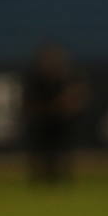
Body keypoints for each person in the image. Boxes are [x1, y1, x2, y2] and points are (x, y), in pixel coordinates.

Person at [21, 42, 88, 183]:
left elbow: (78, 97)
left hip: (61, 122)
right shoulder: (35, 79)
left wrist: (68, 105)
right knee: (41, 150)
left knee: (62, 149)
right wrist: (52, 107)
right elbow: (28, 103)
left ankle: (61, 175)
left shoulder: (68, 77)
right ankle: (40, 176)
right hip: (41, 121)